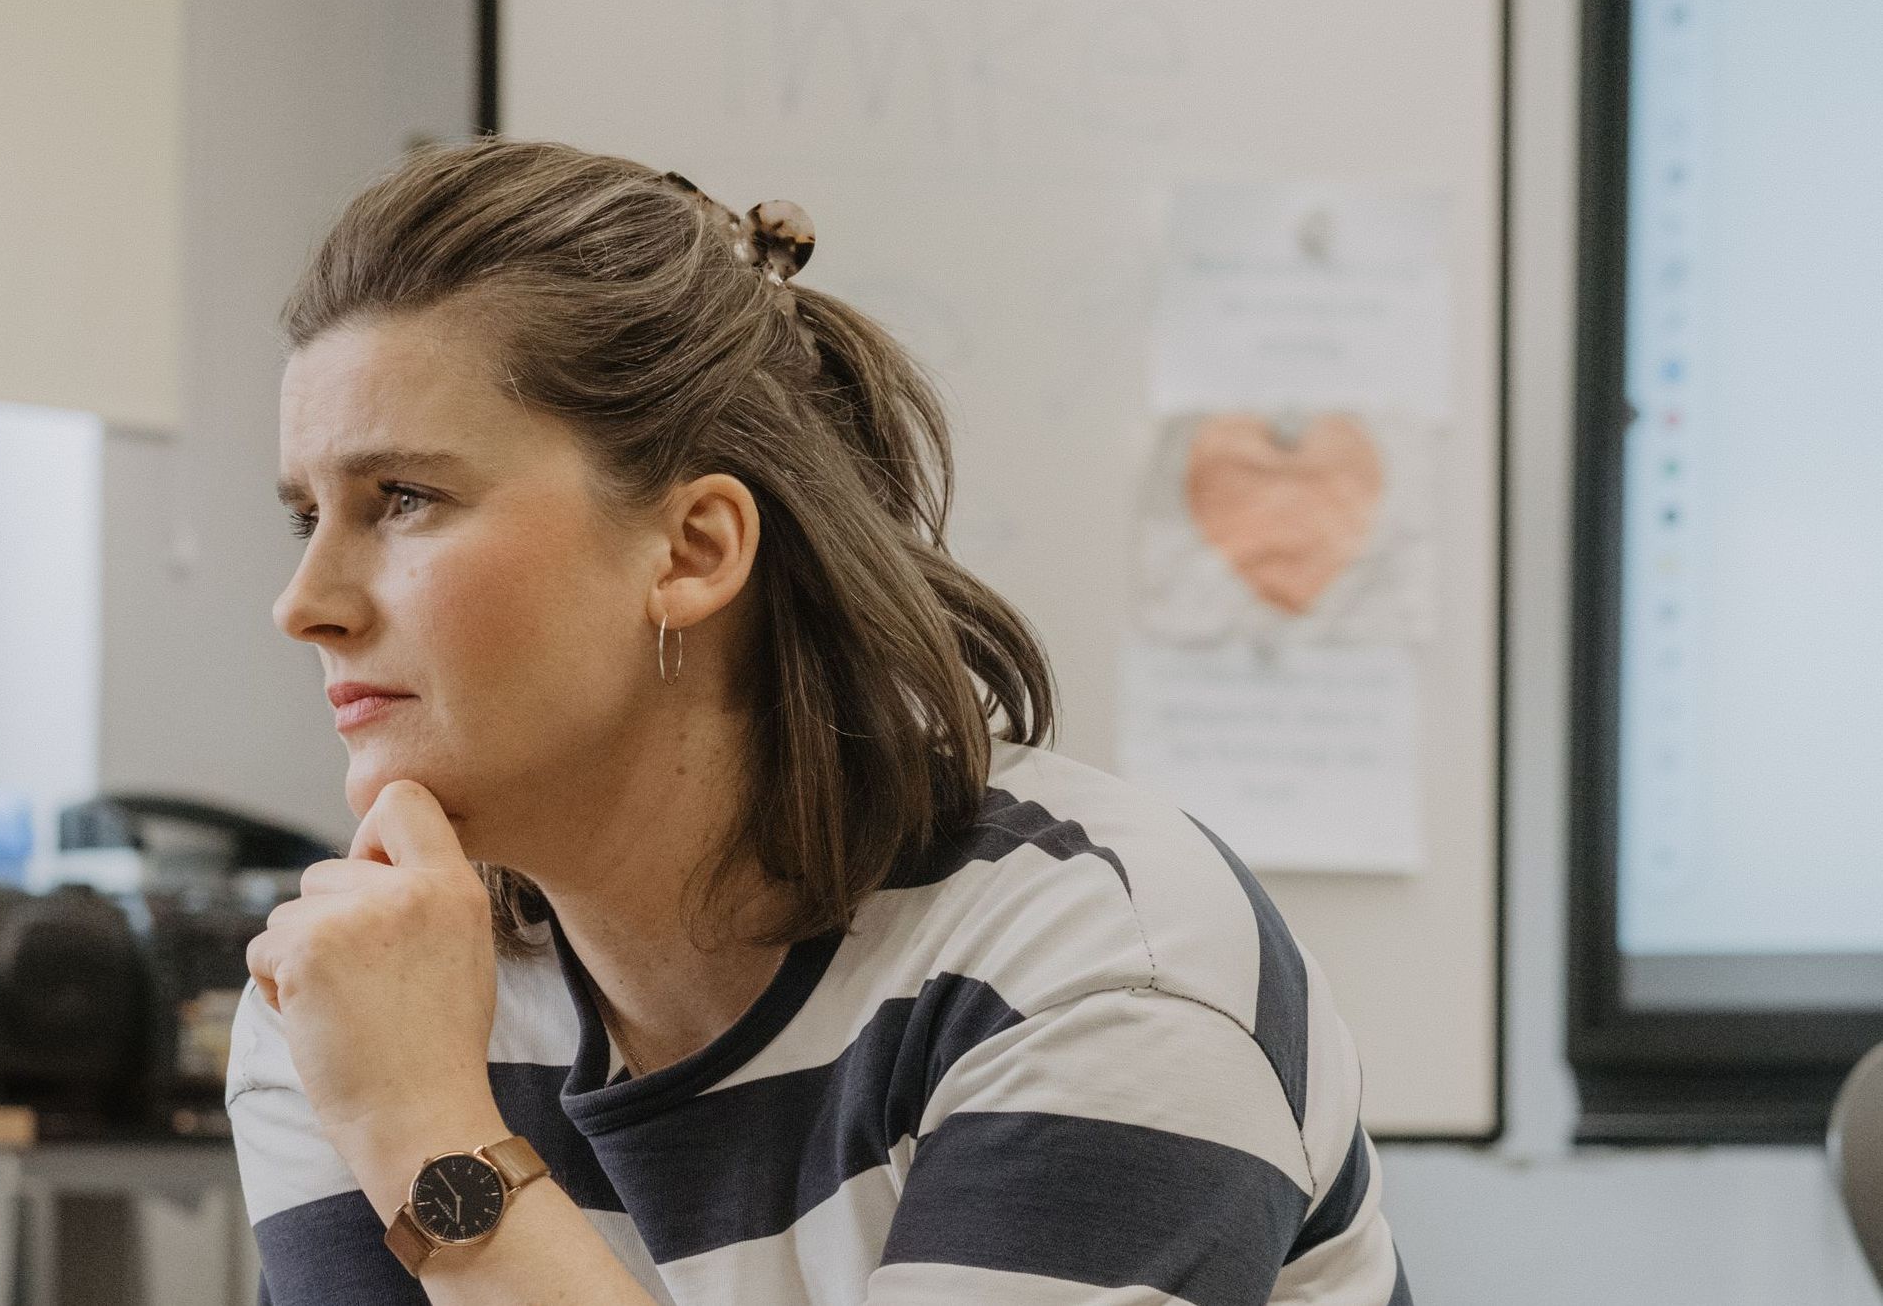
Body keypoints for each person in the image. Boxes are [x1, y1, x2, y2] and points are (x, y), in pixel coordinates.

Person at [229, 136, 1412, 1306]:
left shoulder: (1102, 972)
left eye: (406, 499)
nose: (305, 605)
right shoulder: (356, 995)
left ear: (694, 550)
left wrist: (429, 1134)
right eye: (306, 518)